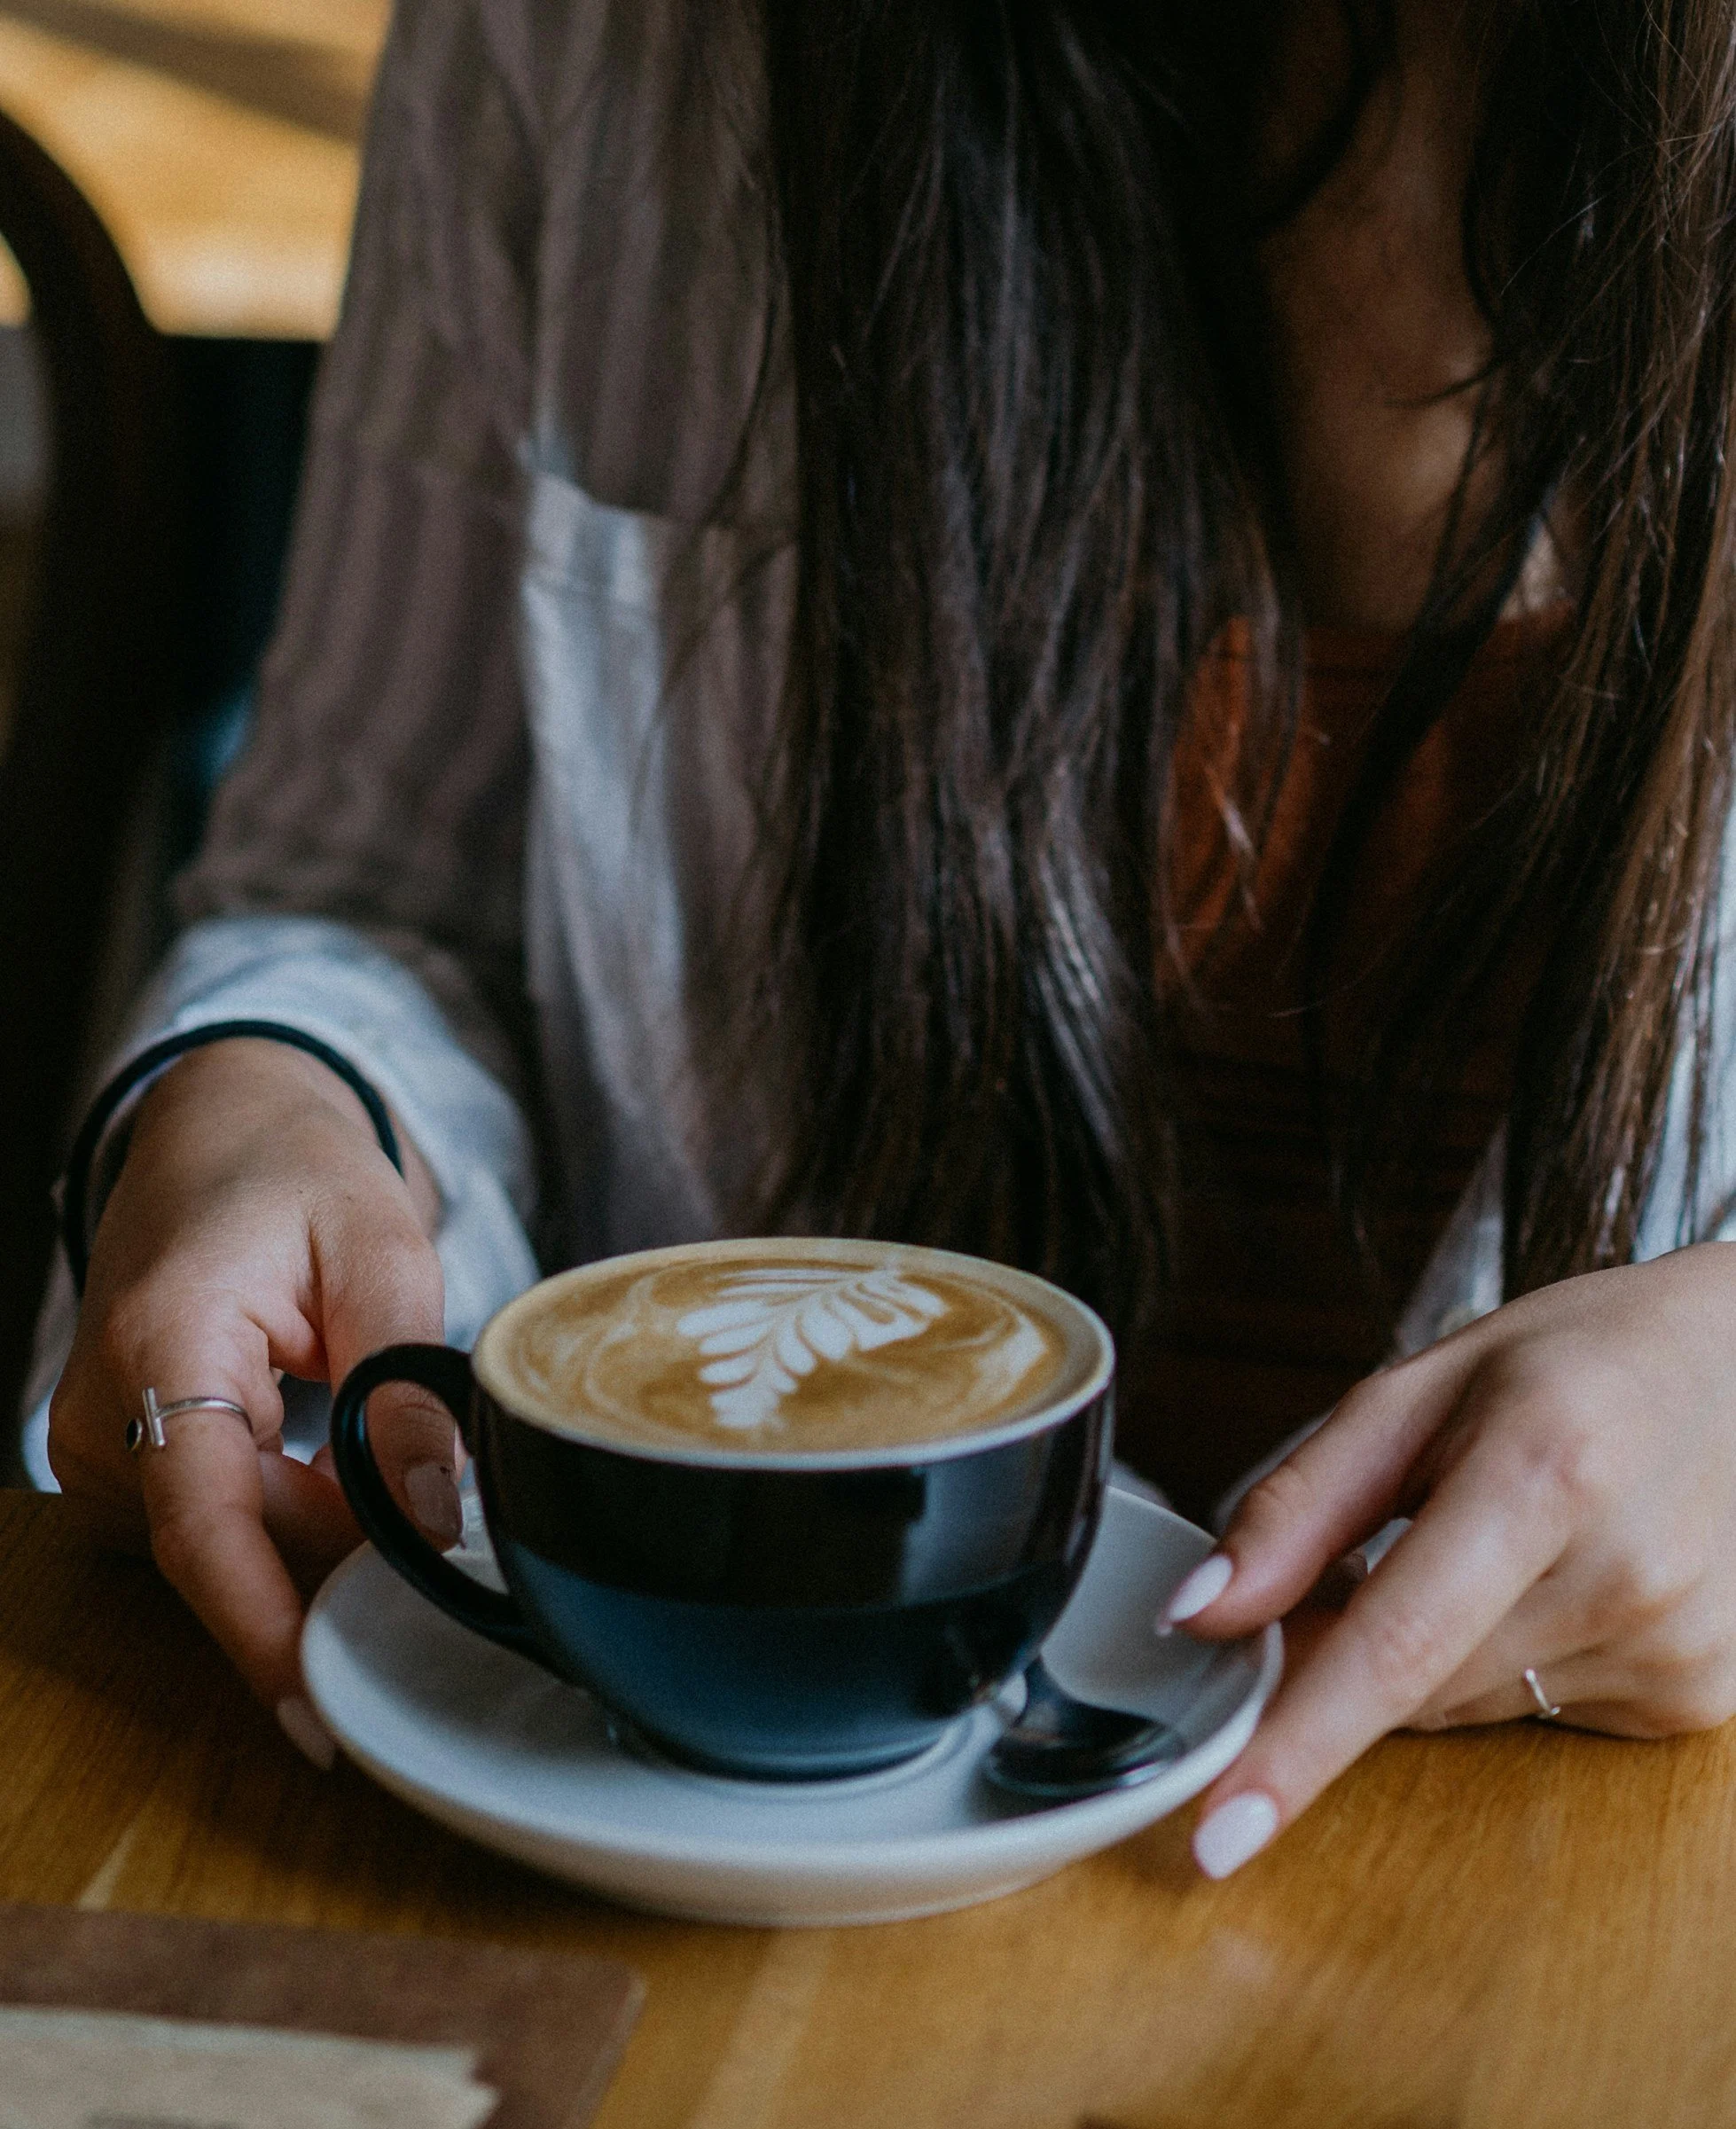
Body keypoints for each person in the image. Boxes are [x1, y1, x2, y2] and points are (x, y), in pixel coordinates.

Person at [32, 0, 1736, 1879]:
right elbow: (362, 891)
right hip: (638, 1848)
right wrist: (266, 1084)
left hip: (1534, 1909)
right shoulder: (583, 44)